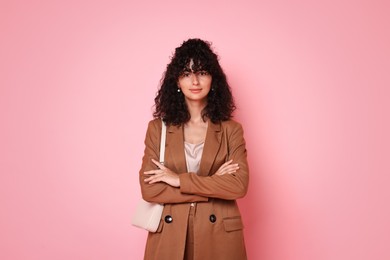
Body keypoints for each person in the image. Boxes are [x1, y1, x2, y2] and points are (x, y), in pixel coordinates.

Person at [139, 38, 249, 260]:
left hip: (219, 237)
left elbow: (238, 186)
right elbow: (150, 190)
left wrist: (178, 180)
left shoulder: (231, 130)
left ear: (213, 80)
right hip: (170, 236)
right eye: (187, 73)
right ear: (177, 81)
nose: (195, 81)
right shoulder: (157, 129)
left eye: (202, 72)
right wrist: (214, 184)